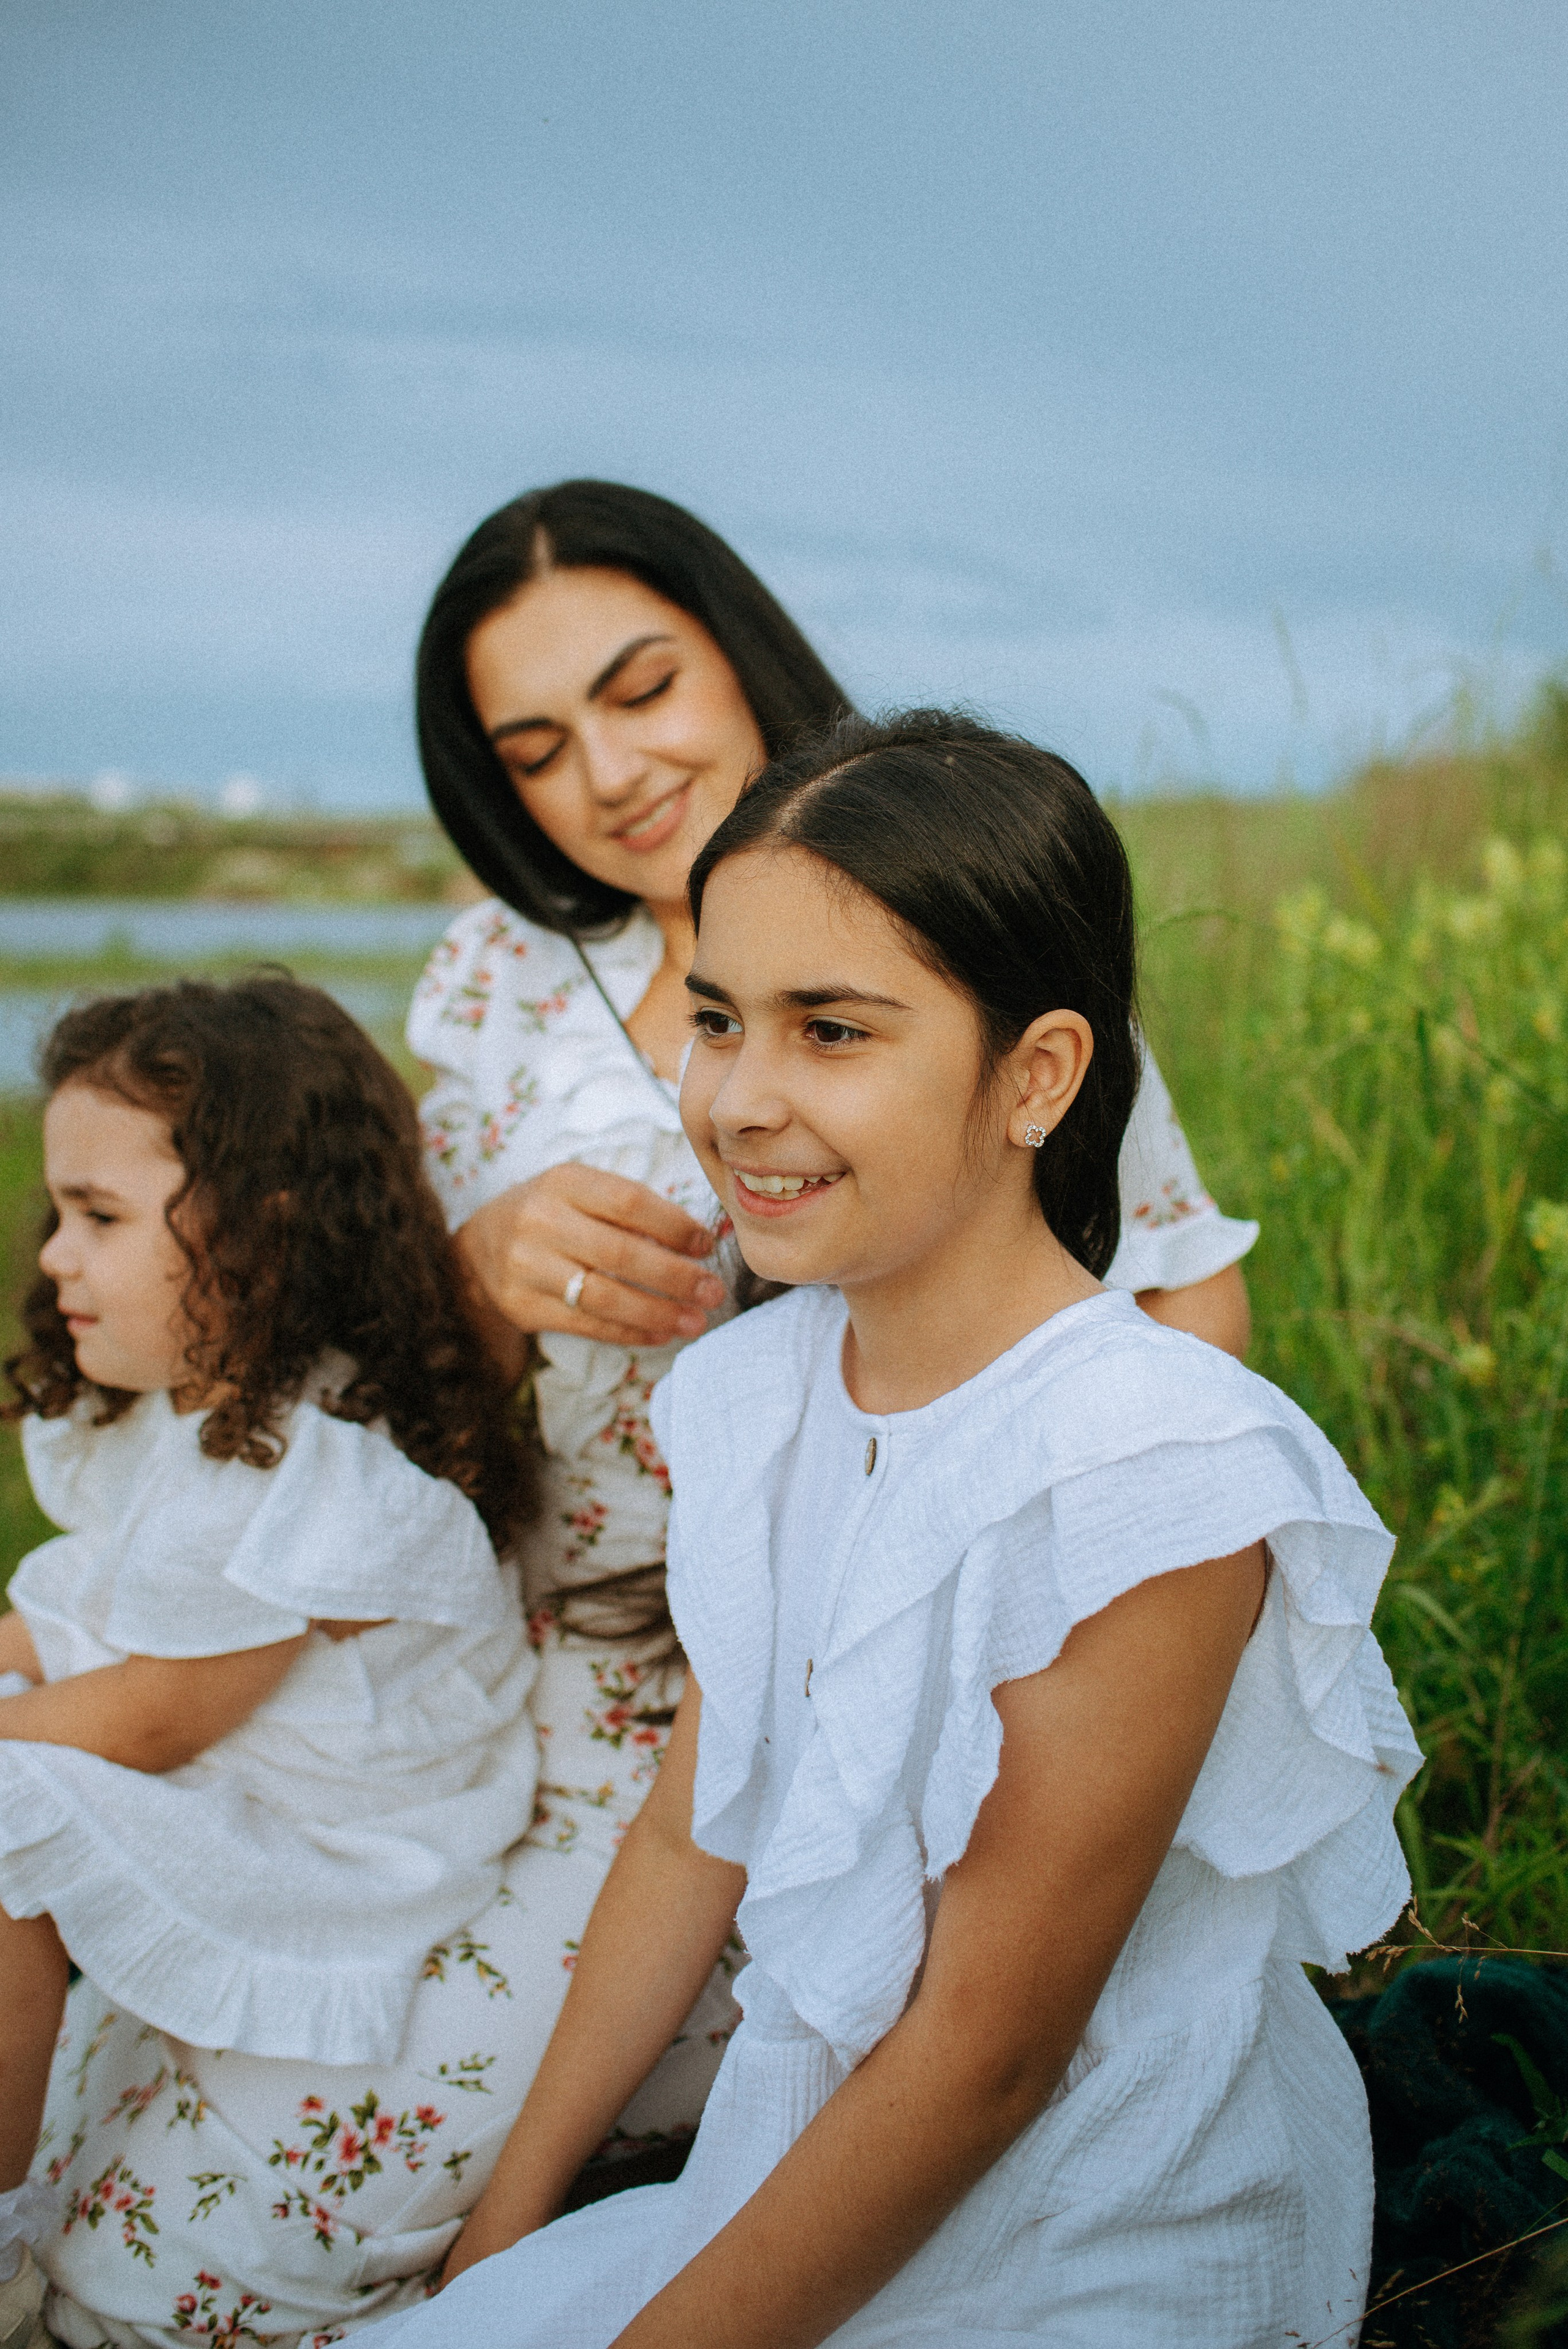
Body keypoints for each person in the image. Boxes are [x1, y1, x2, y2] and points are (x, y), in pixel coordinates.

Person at [379, 711, 1422, 2349]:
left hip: (1088, 2207)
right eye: (717, 1019)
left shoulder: (1146, 1465)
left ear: (1038, 1074)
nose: (740, 1098)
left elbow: (989, 2056)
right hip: (798, 2159)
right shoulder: (754, 1392)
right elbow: (689, 1834)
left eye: (834, 1031)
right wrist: (504, 2231)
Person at [403, 481, 1261, 2164]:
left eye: (642, 687)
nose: (612, 770)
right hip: (543, 1641)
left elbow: (1176, 1295)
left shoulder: (959, 916)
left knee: (442, 2100)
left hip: (856, 1652)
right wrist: (479, 1267)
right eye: (536, 746)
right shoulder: (498, 980)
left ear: (736, 649)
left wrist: (1102, 1637)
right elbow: (415, 1394)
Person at [0, 978, 543, 2349]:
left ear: (263, 1230)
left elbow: (155, 1716)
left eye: (100, 1218)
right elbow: (91, 1615)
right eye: (62, 1212)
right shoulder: (201, 1414)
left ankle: (0, 2225)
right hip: (250, 1776)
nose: (56, 1255)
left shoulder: (298, 1476)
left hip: (348, 1849)